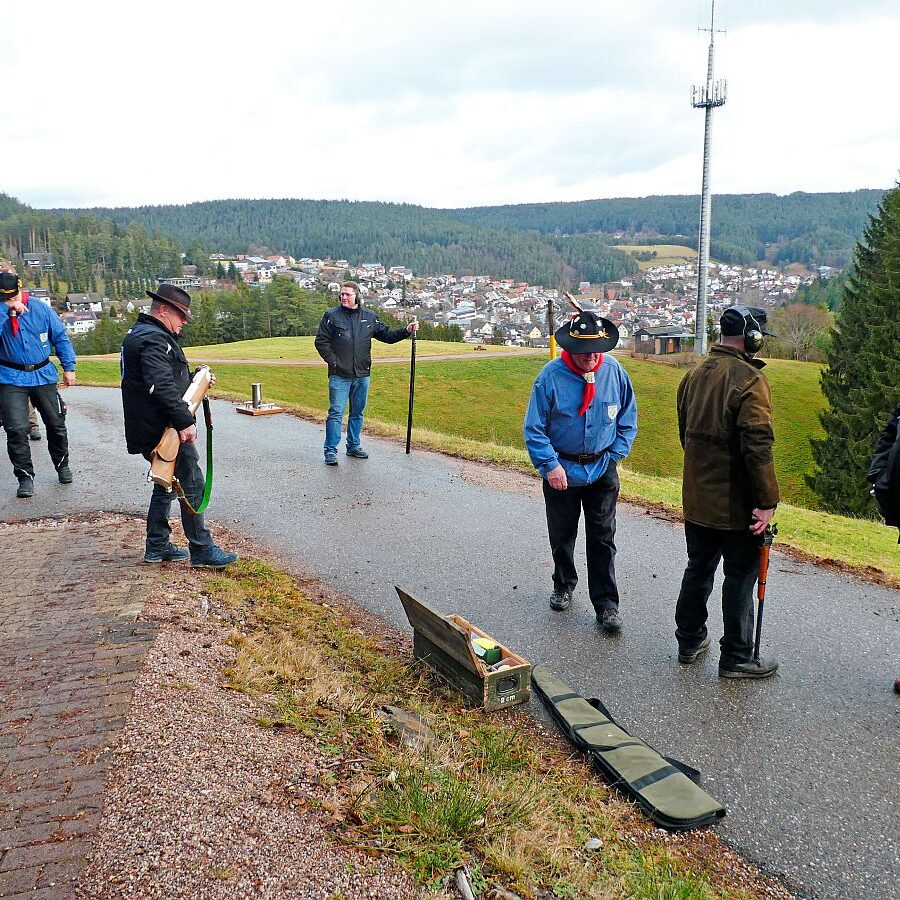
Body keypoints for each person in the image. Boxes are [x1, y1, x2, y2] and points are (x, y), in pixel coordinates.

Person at [675, 306, 780, 679]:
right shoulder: (750, 380)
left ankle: (689, 640)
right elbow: (758, 445)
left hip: (697, 499)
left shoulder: (694, 374)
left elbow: (684, 432)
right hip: (736, 505)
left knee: (698, 567)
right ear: (751, 338)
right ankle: (736, 655)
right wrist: (767, 502)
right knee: (739, 577)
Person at [524, 310, 637, 631]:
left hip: (602, 469)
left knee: (603, 538)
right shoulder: (550, 377)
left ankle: (606, 605)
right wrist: (550, 465)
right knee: (562, 534)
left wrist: (614, 454)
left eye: (596, 350)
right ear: (570, 347)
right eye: (583, 351)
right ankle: (563, 584)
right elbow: (534, 428)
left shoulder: (615, 372)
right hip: (562, 470)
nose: (590, 358)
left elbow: (628, 419)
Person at [121, 284, 238, 569]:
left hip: (153, 425)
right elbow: (159, 385)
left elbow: (166, 378)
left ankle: (157, 545)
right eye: (181, 315)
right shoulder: (154, 339)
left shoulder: (145, 334)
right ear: (164, 310)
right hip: (163, 428)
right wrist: (185, 422)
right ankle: (202, 550)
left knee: (166, 482)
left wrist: (193, 380)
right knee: (192, 482)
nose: (183, 321)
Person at [314, 281, 418, 465]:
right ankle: (330, 451)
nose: (344, 297)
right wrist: (334, 362)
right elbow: (321, 342)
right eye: (342, 294)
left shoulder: (369, 317)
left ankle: (353, 446)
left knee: (357, 413)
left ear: (357, 296)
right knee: (336, 412)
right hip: (339, 375)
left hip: (362, 374)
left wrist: (406, 331)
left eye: (348, 294)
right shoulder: (332, 316)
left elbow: (387, 336)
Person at [0, 271, 76, 498]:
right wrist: (7, 313)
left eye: (13, 297)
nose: (10, 300)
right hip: (10, 377)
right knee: (16, 429)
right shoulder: (1, 310)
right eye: (4, 298)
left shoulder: (40, 309)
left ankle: (62, 465)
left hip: (42, 374)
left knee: (56, 423)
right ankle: (24, 477)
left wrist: (69, 367)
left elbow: (60, 337)